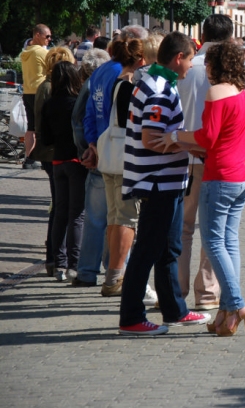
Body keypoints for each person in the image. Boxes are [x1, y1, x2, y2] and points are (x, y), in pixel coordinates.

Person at [153, 41, 245, 336]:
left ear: (215, 65)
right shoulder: (241, 92)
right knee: (229, 242)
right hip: (242, 175)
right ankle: (227, 313)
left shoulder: (217, 92)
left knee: (214, 242)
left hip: (221, 176)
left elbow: (207, 137)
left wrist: (176, 135)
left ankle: (237, 304)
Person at [118, 31, 209, 336]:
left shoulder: (159, 83)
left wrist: (187, 146)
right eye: (191, 59)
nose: (192, 66)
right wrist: (189, 145)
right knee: (148, 249)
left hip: (167, 181)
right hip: (157, 181)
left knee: (169, 247)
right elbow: (151, 138)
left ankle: (175, 310)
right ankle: (131, 317)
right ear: (179, 58)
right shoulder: (157, 88)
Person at [84, 25, 150, 299]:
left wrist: (91, 142)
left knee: (109, 218)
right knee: (124, 219)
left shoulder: (102, 72)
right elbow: (132, 126)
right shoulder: (127, 83)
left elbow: (89, 110)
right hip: (122, 157)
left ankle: (102, 270)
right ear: (139, 58)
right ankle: (115, 275)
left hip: (105, 151)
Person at [175, 14, 232, 311]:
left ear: (201, 33)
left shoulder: (185, 66)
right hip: (216, 157)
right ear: (230, 37)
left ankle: (177, 287)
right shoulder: (235, 68)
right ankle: (208, 293)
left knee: (183, 227)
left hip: (181, 154)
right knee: (213, 227)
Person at [40, 61, 86, 282]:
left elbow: (45, 138)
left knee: (60, 212)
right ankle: (74, 265)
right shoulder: (77, 103)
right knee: (76, 214)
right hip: (76, 160)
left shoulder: (49, 104)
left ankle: (59, 263)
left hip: (57, 160)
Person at [69, 48, 111, 288]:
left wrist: (86, 149)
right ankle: (109, 269)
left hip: (96, 156)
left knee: (96, 219)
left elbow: (79, 119)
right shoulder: (110, 80)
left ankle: (88, 271)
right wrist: (86, 149)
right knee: (108, 218)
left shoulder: (93, 82)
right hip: (106, 157)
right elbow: (79, 120)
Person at [34, 47, 76, 277]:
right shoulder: (55, 89)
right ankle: (60, 257)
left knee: (58, 207)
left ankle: (54, 256)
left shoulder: (45, 87)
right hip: (60, 154)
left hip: (51, 154)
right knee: (65, 208)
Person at [20, 24, 52, 169]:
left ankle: (29, 158)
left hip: (27, 92)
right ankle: (44, 157)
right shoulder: (41, 53)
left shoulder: (26, 52)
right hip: (40, 92)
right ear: (37, 35)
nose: (49, 40)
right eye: (47, 36)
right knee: (42, 126)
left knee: (31, 127)